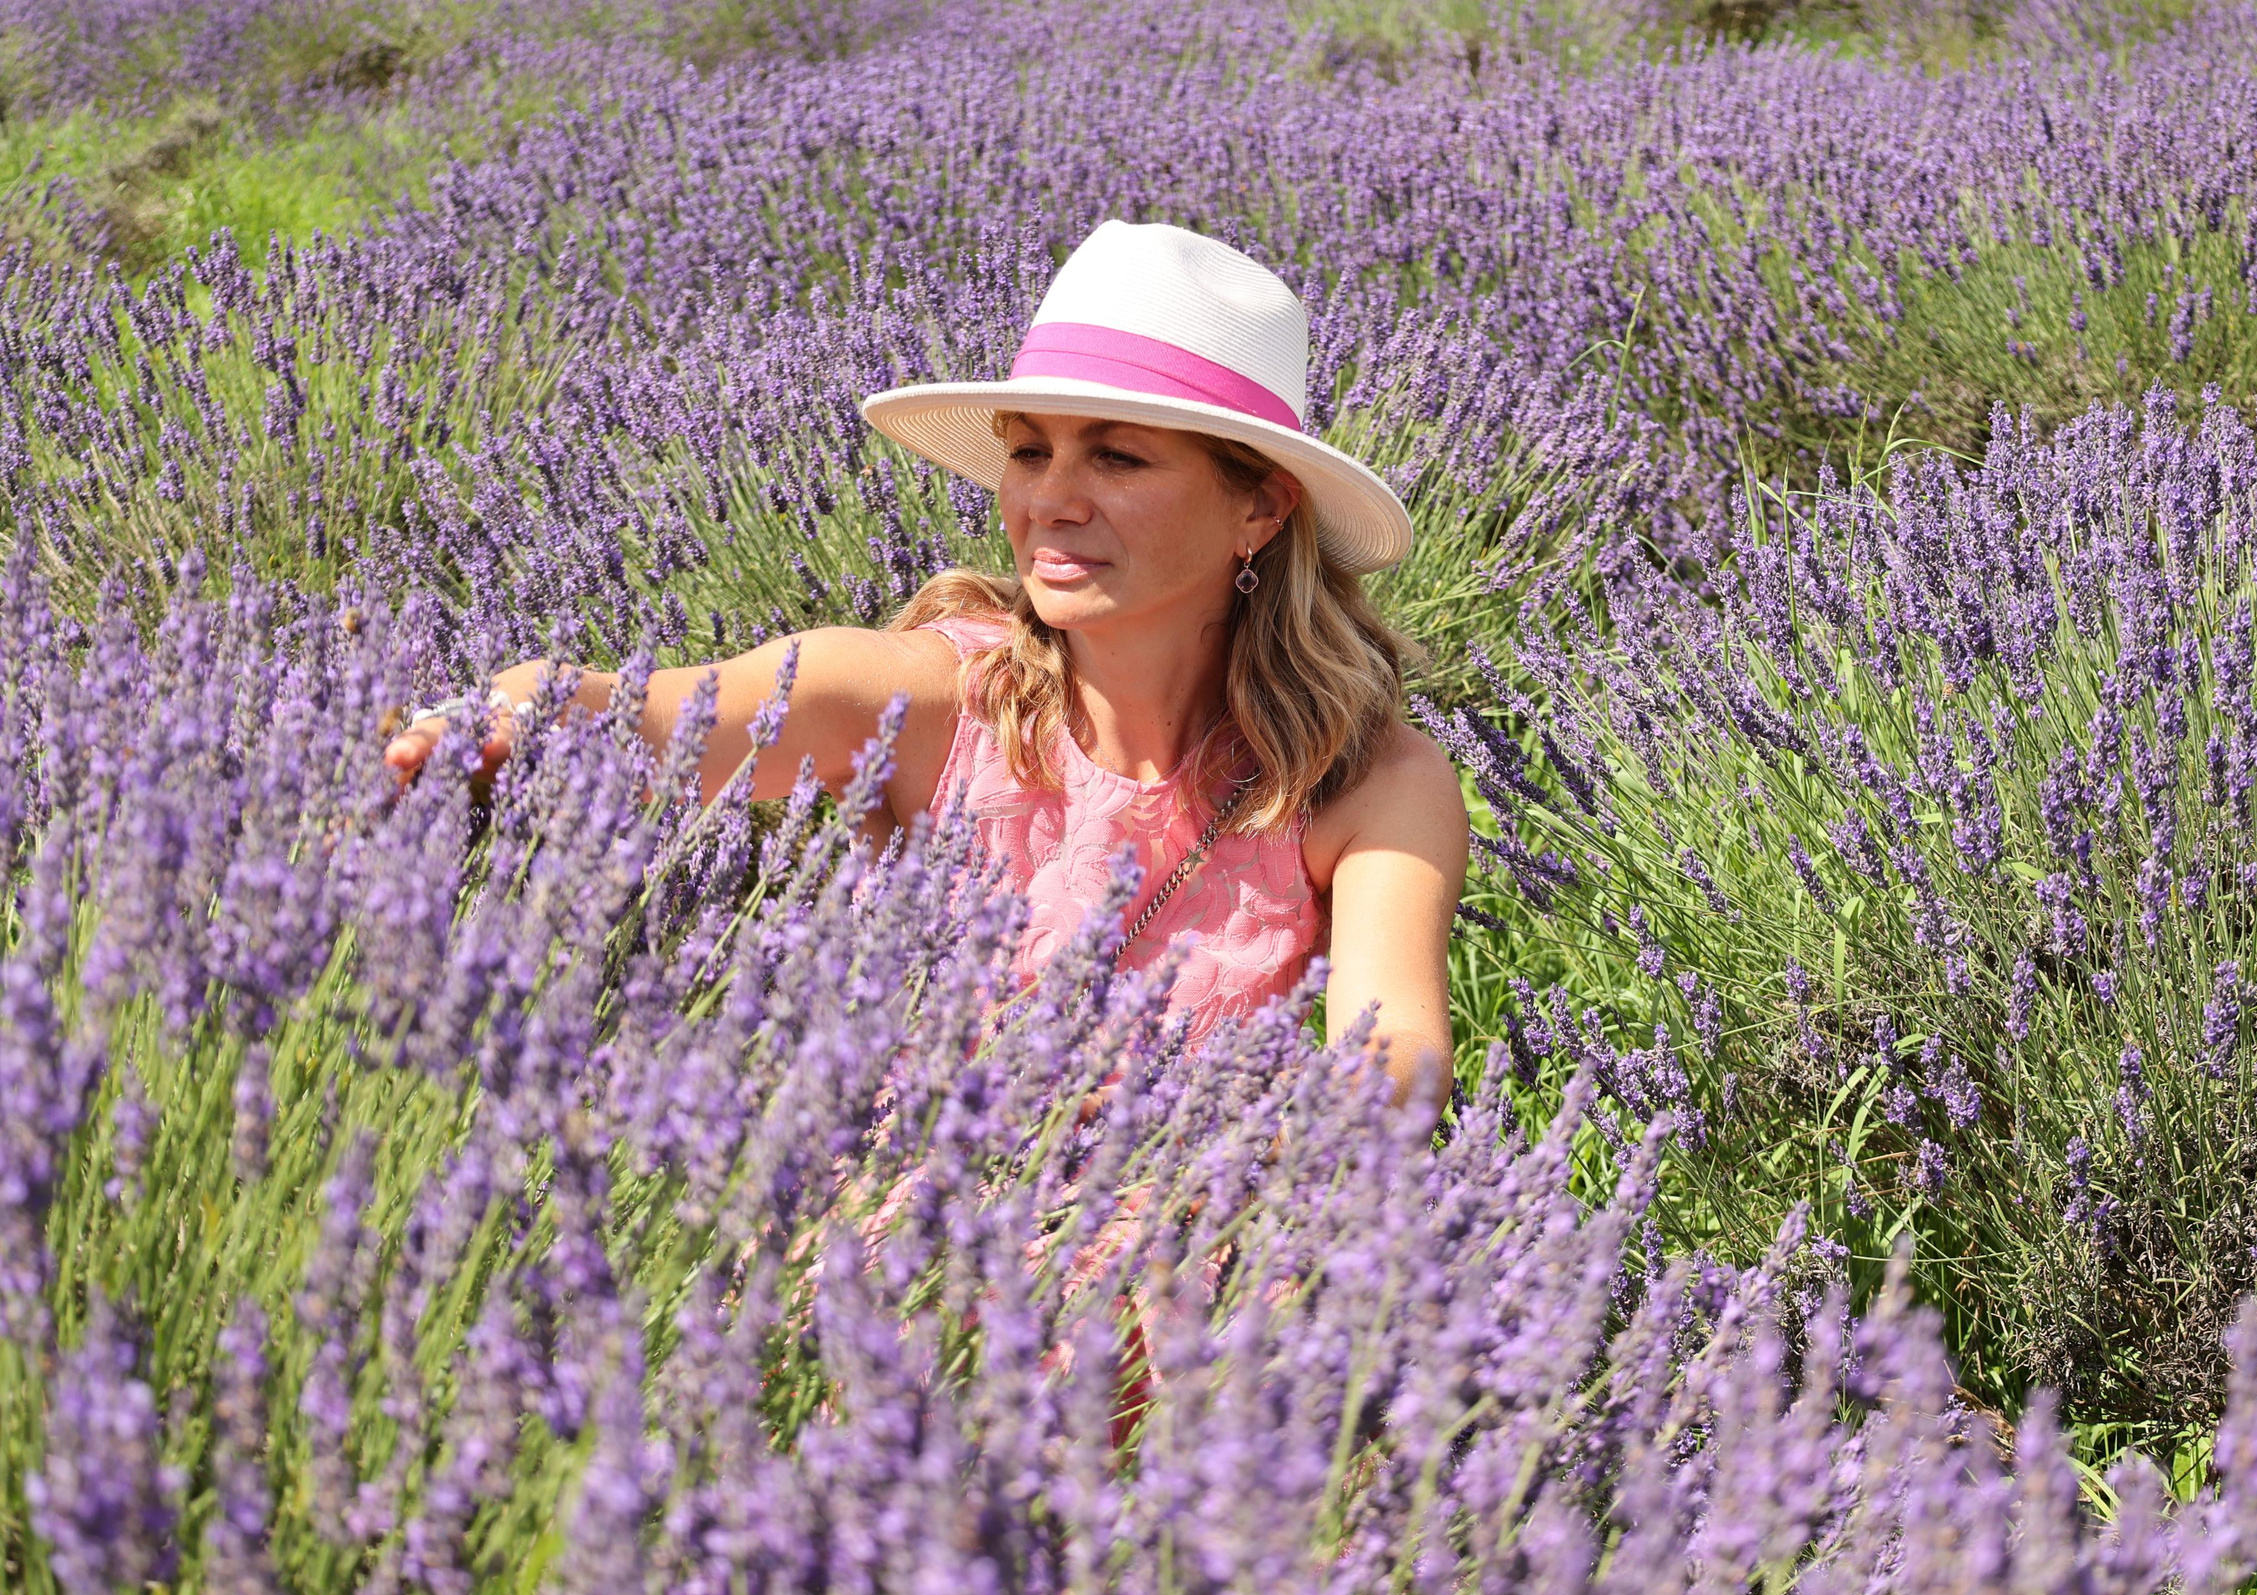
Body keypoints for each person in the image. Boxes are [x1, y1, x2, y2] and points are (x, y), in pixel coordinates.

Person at [386, 220, 1468, 1107]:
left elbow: (1395, 1053)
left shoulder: (1366, 784)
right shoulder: (935, 704)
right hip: (896, 1291)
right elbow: (640, 712)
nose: (1052, 497)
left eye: (1119, 455)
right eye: (1030, 448)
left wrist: (1246, 1147)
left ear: (1259, 509)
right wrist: (490, 720)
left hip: (1196, 1305)